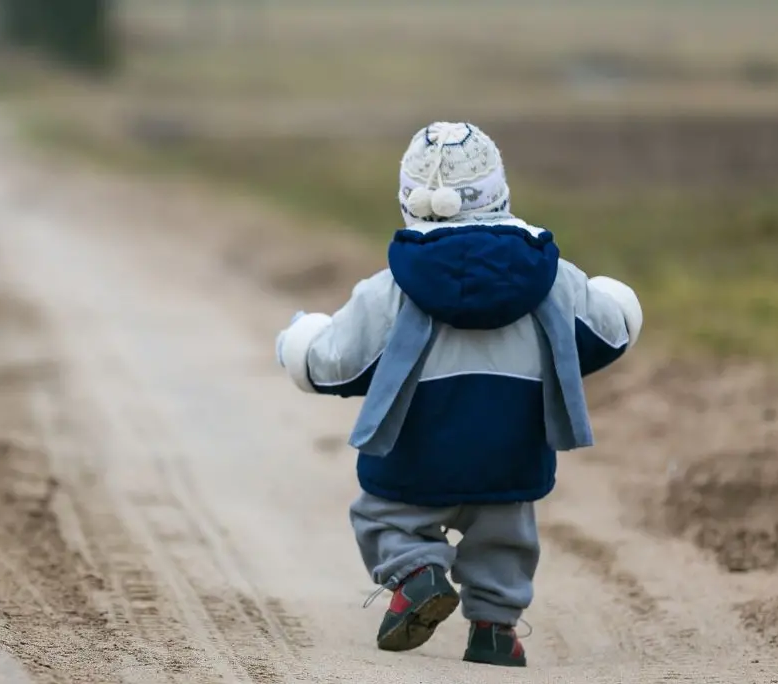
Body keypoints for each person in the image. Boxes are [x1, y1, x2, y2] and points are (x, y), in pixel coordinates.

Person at [274, 122, 643, 667]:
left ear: (409, 199)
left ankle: (417, 573)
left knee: (383, 516)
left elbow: (333, 362)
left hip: (415, 453)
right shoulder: (554, 280)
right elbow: (609, 330)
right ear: (499, 192)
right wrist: (619, 299)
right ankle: (496, 630)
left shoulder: (392, 290)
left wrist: (298, 342)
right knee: (505, 534)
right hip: (510, 455)